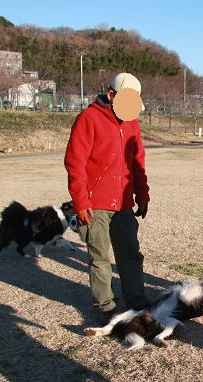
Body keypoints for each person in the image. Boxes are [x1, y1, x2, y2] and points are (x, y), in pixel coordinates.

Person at [64, 72, 149, 323]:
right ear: (111, 95)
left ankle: (137, 302)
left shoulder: (132, 123)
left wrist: (142, 194)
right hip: (94, 204)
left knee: (130, 255)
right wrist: (81, 201)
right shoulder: (88, 119)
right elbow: (74, 164)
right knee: (99, 257)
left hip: (123, 202)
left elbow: (138, 161)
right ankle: (107, 306)